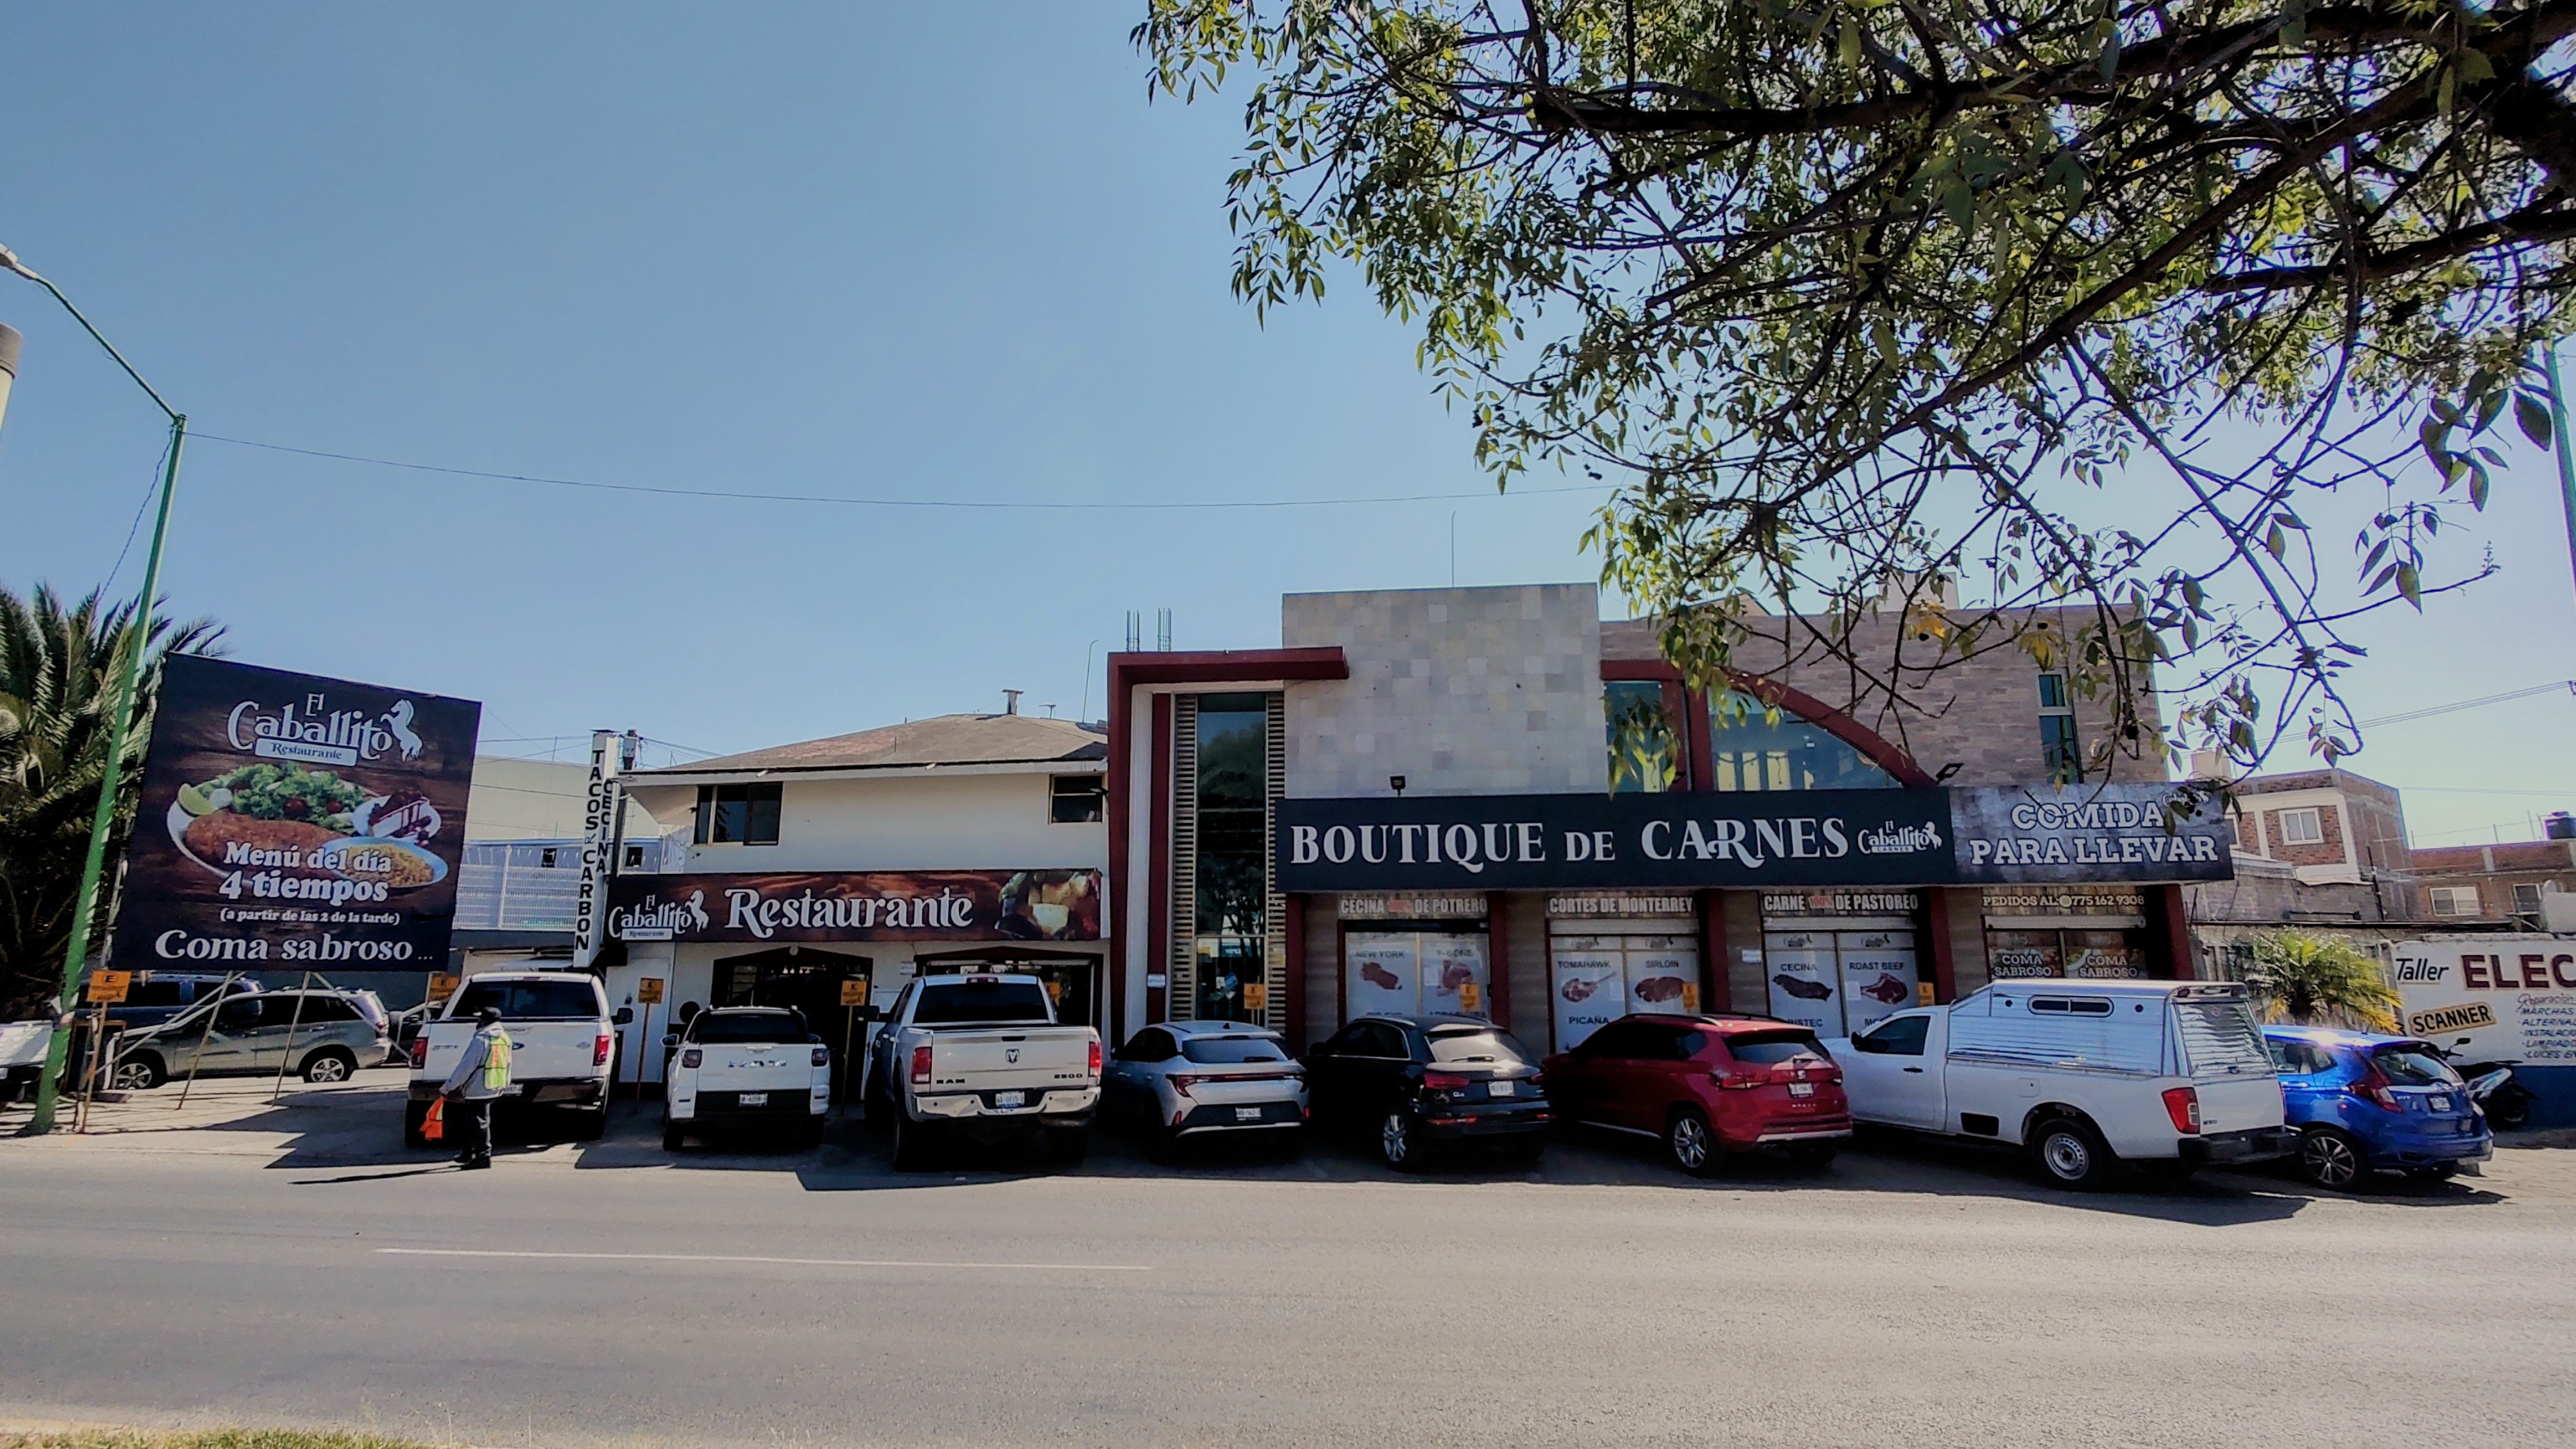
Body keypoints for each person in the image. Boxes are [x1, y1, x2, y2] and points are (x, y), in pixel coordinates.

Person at [439, 1006, 513, 1170]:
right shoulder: (504, 1038)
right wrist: (505, 1083)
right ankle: (468, 1152)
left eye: (480, 1019)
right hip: (494, 1084)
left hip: (479, 1086)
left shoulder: (481, 1040)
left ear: (485, 1021)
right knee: (473, 1120)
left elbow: (466, 1067)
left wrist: (448, 1087)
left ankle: (483, 1157)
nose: (477, 1022)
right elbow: (508, 1063)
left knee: (478, 1122)